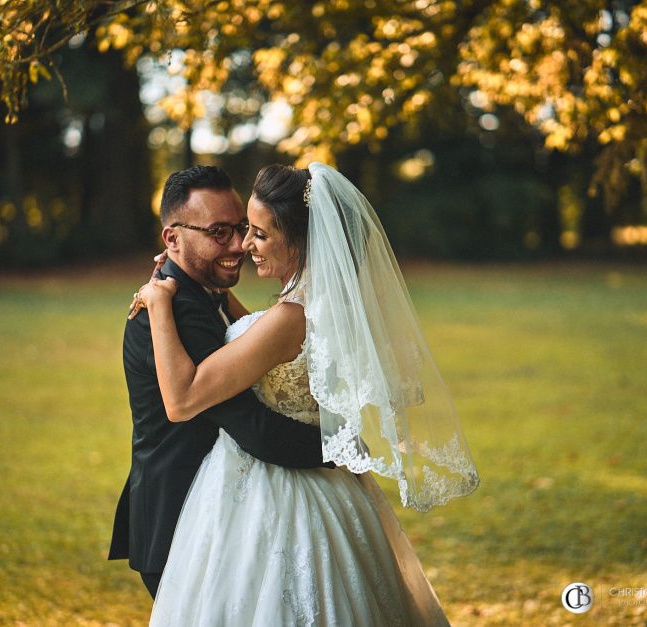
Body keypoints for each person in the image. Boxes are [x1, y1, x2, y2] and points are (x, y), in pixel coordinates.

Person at [135, 163, 479, 625]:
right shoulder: (316, 303)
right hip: (329, 490)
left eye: (256, 233)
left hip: (278, 494)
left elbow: (184, 398)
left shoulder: (288, 318)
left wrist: (159, 301)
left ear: (297, 240)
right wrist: (213, 292)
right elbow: (253, 332)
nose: (244, 245)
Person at [107, 165, 332, 598]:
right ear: (172, 239)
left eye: (242, 228)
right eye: (218, 232)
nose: (238, 245)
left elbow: (256, 338)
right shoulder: (174, 312)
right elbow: (252, 426)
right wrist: (336, 450)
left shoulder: (198, 292)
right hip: (181, 518)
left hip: (225, 517)